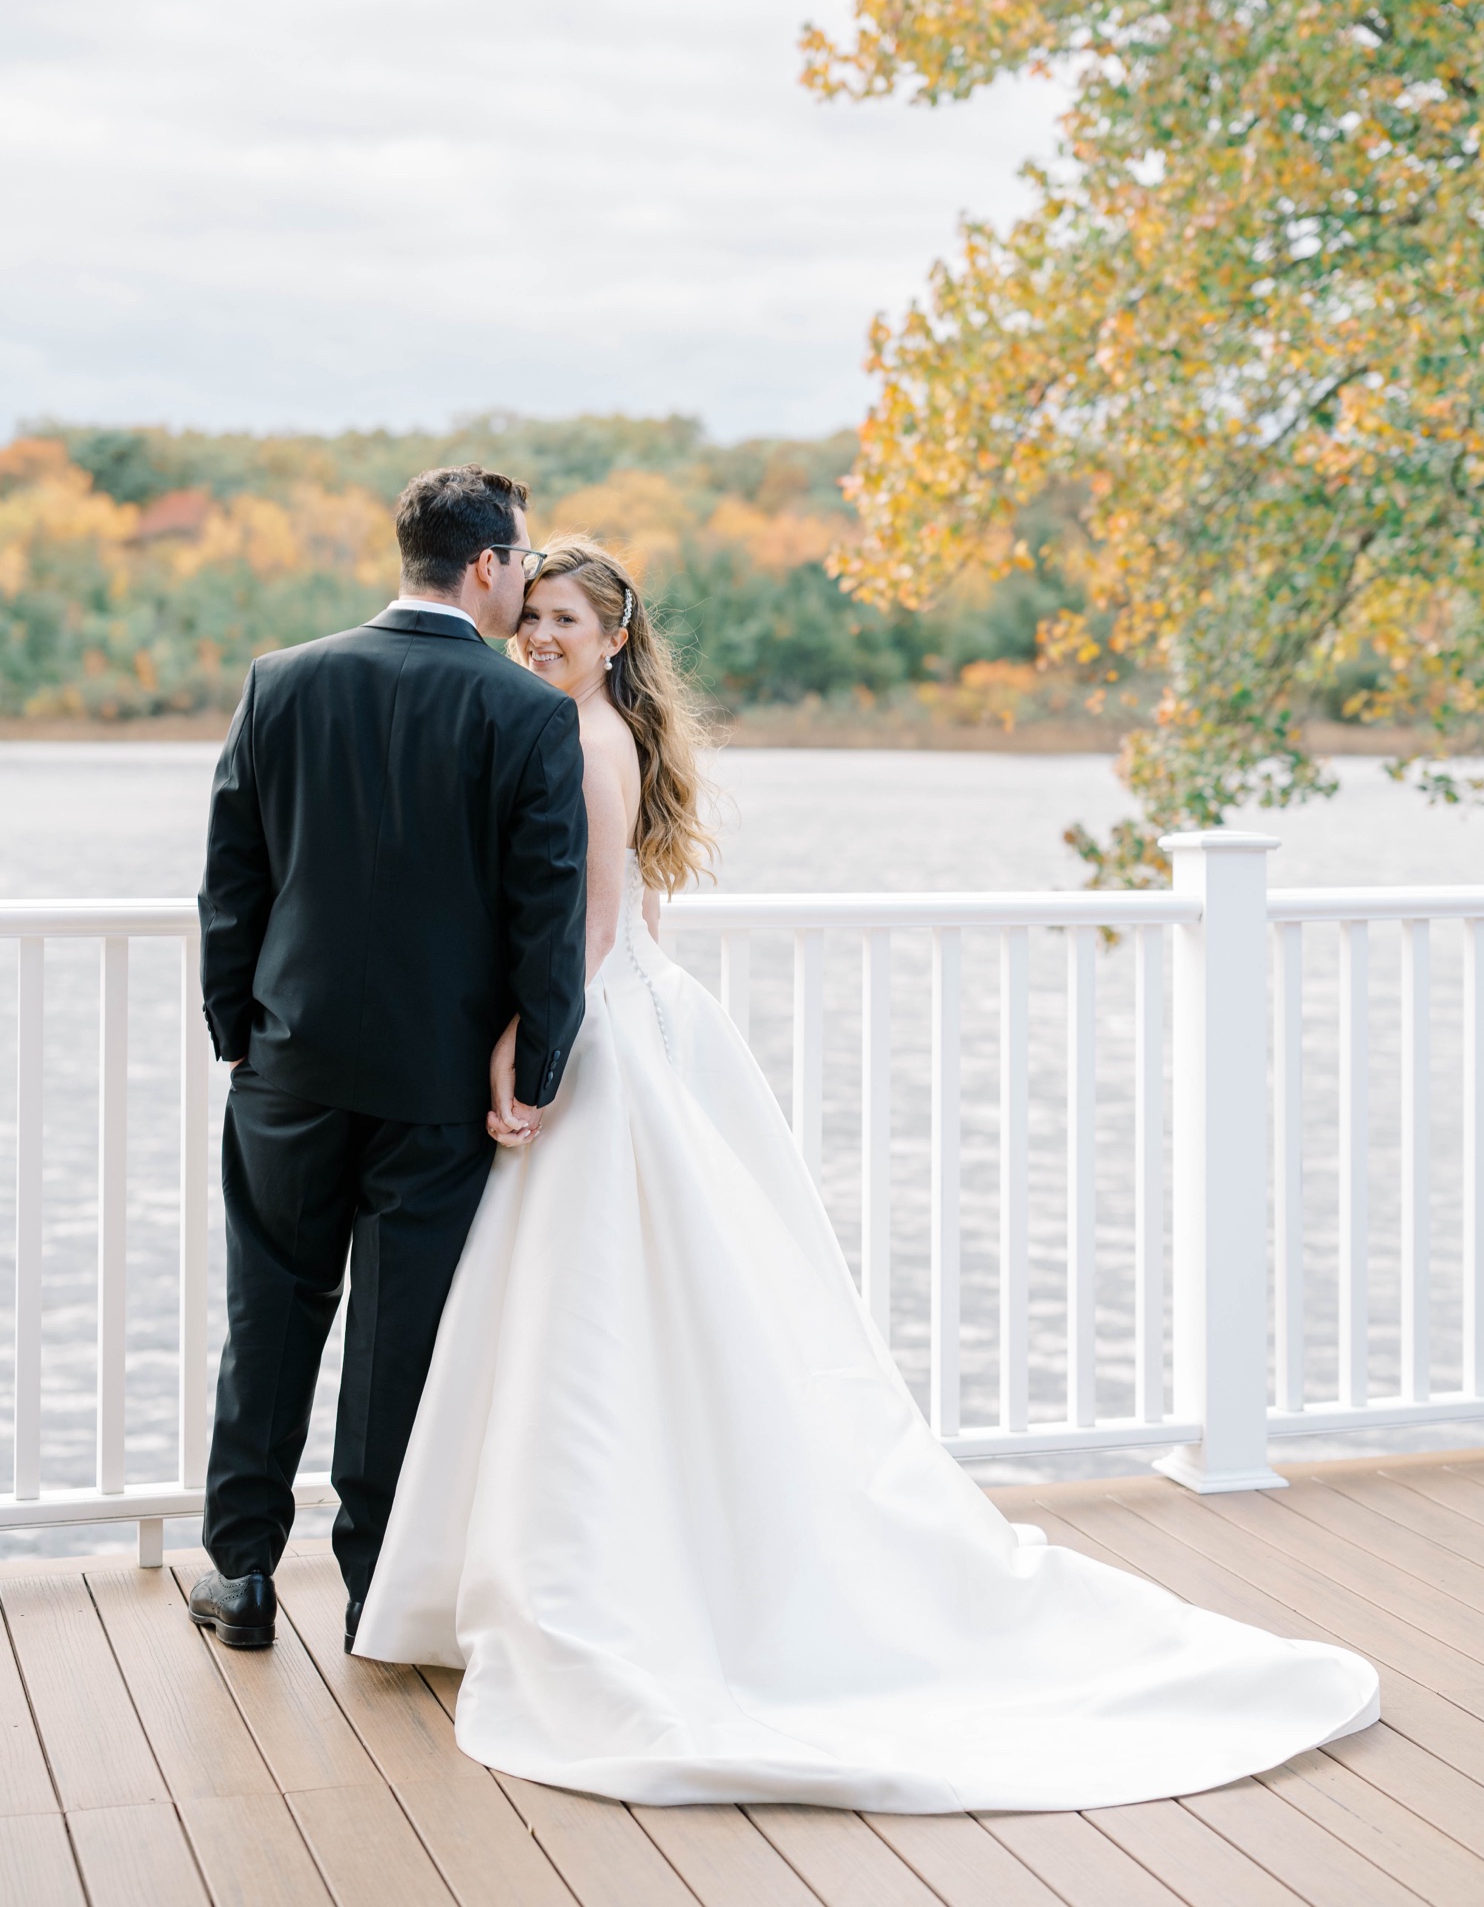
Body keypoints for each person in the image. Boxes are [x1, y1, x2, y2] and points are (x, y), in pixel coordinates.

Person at [355, 536, 1380, 1812]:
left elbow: (598, 921)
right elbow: (631, 923)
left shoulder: (582, 741)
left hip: (593, 1028)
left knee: (591, 1308)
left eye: (566, 620)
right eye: (534, 618)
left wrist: (530, 1036)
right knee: (620, 1310)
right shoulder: (585, 732)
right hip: (632, 1019)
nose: (542, 637)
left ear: (616, 637)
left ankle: (597, 1573)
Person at [189, 466, 588, 1655]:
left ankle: (244, 1574)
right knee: (396, 1338)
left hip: (291, 1064)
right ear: (485, 567)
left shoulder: (284, 682)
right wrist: (539, 1063)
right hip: (440, 1081)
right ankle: (376, 1593)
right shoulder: (526, 716)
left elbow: (232, 882)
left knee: (271, 1313)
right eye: (521, 559)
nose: (525, 579)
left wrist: (240, 1033)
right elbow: (545, 914)